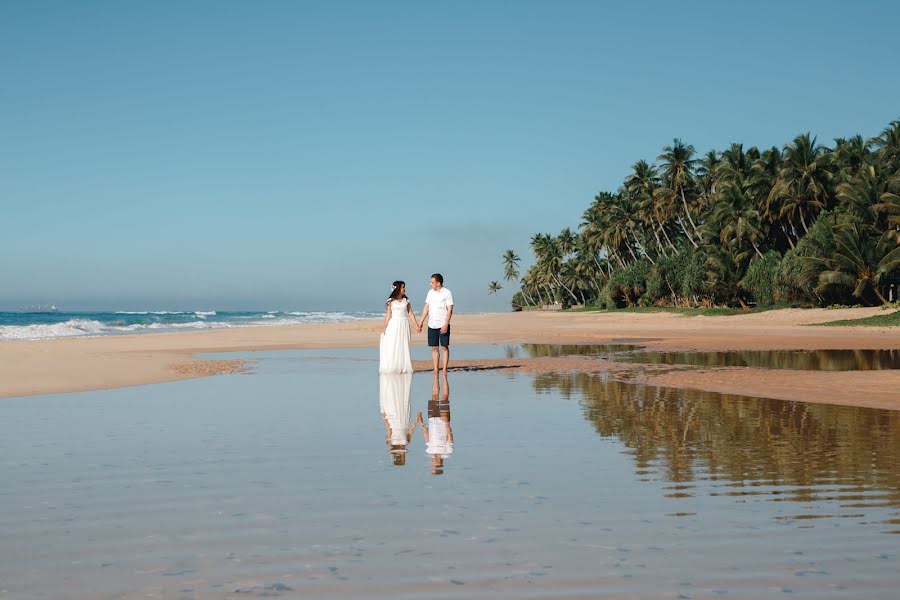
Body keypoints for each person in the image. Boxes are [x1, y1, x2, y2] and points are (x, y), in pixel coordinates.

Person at [417, 371, 453, 475]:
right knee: (444, 398)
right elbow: (450, 437)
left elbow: (426, 437)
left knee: (434, 396)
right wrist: (446, 423)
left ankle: (436, 377)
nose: (432, 463)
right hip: (443, 421)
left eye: (432, 465)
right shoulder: (447, 452)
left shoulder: (429, 451)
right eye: (433, 465)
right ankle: (445, 377)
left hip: (432, 420)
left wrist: (421, 423)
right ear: (439, 464)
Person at [379, 280, 419, 374]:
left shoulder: (406, 300)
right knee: (394, 344)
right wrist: (384, 328)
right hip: (394, 324)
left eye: (404, 287)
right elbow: (388, 315)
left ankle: (402, 367)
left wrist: (416, 325)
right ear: (397, 289)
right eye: (403, 287)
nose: (404, 289)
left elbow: (411, 314)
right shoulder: (390, 301)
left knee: (403, 344)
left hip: (404, 324)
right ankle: (394, 366)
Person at [417, 273, 454, 372]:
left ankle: (445, 368)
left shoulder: (447, 293)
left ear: (438, 283)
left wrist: (446, 324)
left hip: (443, 324)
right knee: (434, 347)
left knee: (444, 347)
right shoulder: (430, 293)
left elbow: (450, 309)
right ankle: (436, 369)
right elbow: (426, 308)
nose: (430, 284)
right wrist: (421, 322)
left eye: (432, 282)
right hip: (432, 324)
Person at [380, 372, 415, 466]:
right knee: (400, 403)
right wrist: (417, 420)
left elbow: (388, 429)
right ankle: (397, 384)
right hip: (402, 422)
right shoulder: (399, 443)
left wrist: (385, 417)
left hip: (398, 422)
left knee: (397, 403)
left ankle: (395, 384)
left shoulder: (393, 442)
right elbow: (411, 431)